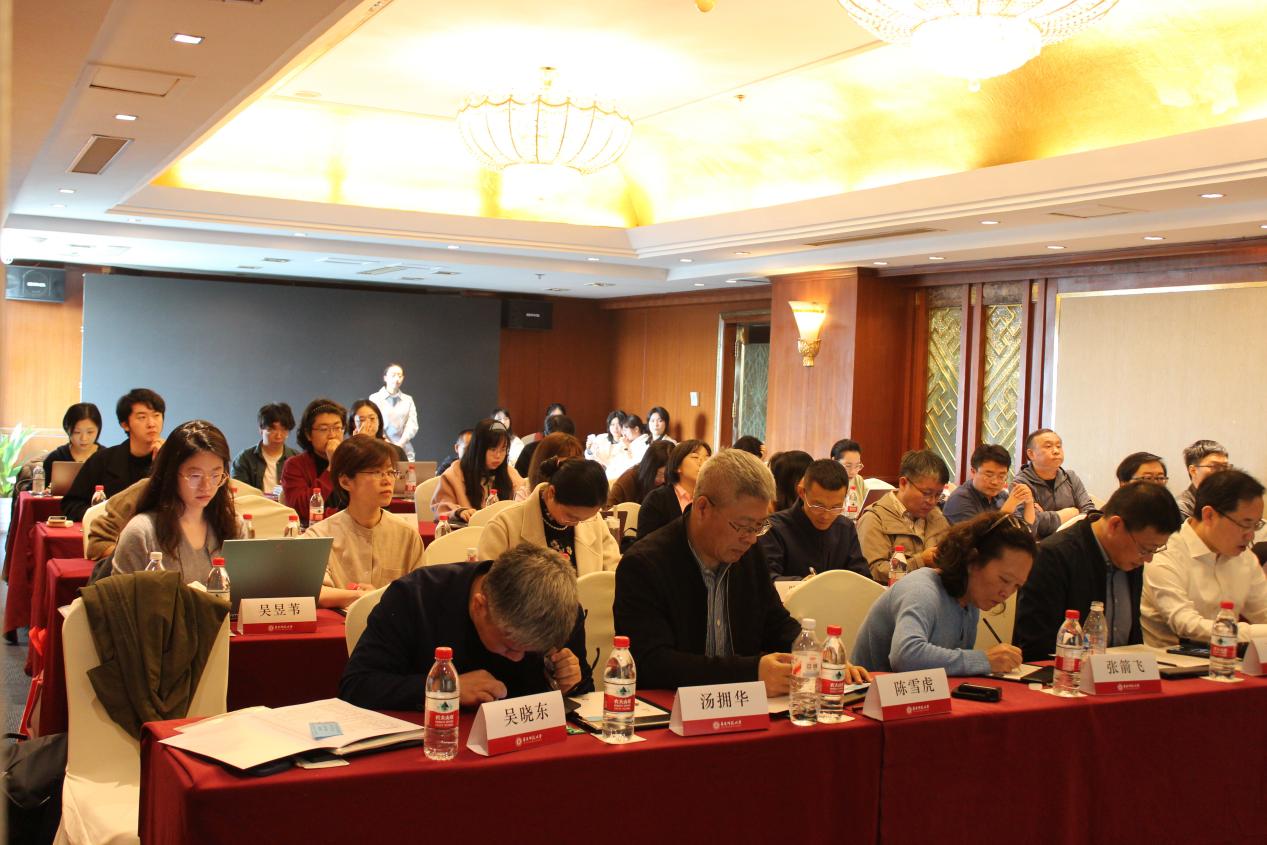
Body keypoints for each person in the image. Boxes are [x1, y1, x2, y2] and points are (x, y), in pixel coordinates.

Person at [614, 448, 869, 694]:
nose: (752, 538)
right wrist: (752, 672)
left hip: (747, 707)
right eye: (744, 526)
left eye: (759, 526)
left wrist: (816, 654)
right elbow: (653, 664)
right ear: (702, 508)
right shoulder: (645, 564)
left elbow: (775, 623)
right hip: (671, 712)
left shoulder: (748, 554)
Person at [340, 543, 590, 710]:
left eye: (531, 651)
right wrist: (445, 688)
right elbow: (356, 686)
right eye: (509, 647)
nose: (518, 658)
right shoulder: (415, 598)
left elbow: (583, 691)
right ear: (479, 606)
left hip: (527, 744)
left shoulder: (559, 611)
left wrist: (570, 680)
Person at [1014, 481, 1182, 662]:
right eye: (1145, 549)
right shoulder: (1053, 556)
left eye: (1154, 550)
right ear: (1115, 525)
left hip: (1122, 672)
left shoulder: (1130, 557)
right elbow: (1036, 648)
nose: (1148, 559)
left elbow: (1132, 637)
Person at [853, 512, 1035, 676]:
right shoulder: (921, 589)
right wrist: (984, 660)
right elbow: (905, 655)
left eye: (1017, 586)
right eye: (1004, 579)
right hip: (869, 696)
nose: (1007, 593)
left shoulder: (970, 601)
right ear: (972, 560)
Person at [1142, 469, 1267, 647]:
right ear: (1209, 515)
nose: (1251, 535)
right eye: (1245, 524)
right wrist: (1256, 632)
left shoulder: (1245, 558)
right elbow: (1186, 624)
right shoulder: (1165, 551)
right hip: (1170, 659)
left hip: (1228, 658)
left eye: (1257, 525)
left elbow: (1263, 611)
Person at [303, 436, 426, 608]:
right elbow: (314, 592)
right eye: (376, 472)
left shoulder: (407, 535)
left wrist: (376, 596)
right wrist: (362, 596)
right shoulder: (319, 536)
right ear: (345, 481)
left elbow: (420, 592)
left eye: (390, 472)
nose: (387, 480)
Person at [113, 420, 238, 585]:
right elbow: (122, 597)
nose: (206, 486)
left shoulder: (233, 525)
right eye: (195, 476)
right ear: (171, 474)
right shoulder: (142, 532)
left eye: (216, 476)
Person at [479, 458, 620, 576]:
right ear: (551, 493)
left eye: (584, 519)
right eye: (570, 516)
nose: (576, 524)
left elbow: (613, 572)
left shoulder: (593, 520)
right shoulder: (504, 525)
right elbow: (488, 584)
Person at [62, 388, 165, 522]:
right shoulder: (102, 460)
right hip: (110, 530)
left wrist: (162, 463)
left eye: (156, 415)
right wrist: (104, 519)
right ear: (125, 424)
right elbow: (71, 505)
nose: (152, 424)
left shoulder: (173, 460)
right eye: (142, 417)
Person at [760, 459, 867, 579]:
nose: (826, 516)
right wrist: (802, 585)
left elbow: (862, 577)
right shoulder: (773, 527)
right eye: (818, 506)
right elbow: (766, 579)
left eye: (836, 507)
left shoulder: (845, 528)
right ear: (802, 492)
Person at [856, 449, 952, 583]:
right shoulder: (875, 519)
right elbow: (875, 571)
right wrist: (920, 561)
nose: (932, 501)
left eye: (938, 495)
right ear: (903, 483)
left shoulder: (936, 516)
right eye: (926, 493)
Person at [433, 418, 527, 523]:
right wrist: (459, 512)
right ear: (478, 448)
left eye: (503, 449)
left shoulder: (510, 474)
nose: (498, 455)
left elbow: (524, 502)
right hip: (467, 530)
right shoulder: (454, 474)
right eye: (493, 449)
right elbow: (440, 507)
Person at [1015, 429, 1094, 538]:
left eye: (1059, 446)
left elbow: (1090, 512)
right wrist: (1070, 513)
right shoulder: (1021, 483)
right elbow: (1030, 526)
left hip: (1072, 540)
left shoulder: (1070, 477)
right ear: (1031, 454)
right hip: (1040, 545)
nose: (1056, 451)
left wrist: (1045, 516)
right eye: (1048, 446)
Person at [281, 398, 346, 523]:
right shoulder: (295, 465)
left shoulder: (353, 462)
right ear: (308, 434)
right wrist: (332, 466)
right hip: (312, 530)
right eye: (324, 429)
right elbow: (301, 509)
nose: (332, 435)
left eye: (337, 428)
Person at [943, 444, 1036, 528]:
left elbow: (1025, 529)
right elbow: (980, 537)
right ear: (973, 472)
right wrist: (1009, 506)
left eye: (1001, 476)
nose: (995, 482)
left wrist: (1029, 502)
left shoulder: (1002, 496)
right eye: (989, 475)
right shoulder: (960, 498)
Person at [636, 439, 711, 540]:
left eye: (707, 458)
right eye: (695, 457)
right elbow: (644, 544)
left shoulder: (712, 499)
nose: (703, 463)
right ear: (677, 467)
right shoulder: (656, 500)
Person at [231, 403, 298, 494]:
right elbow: (239, 493)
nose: (279, 436)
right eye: (272, 429)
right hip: (255, 503)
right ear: (261, 430)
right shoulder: (244, 459)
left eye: (284, 430)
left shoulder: (296, 459)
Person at [42, 402, 103, 487]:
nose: (84, 438)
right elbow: (37, 489)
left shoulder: (107, 457)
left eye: (90, 432)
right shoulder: (56, 457)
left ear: (98, 429)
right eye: (77, 432)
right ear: (67, 429)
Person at [368, 362, 418, 460]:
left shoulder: (408, 400)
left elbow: (412, 425)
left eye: (400, 376)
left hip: (403, 449)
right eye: (393, 375)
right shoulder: (375, 398)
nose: (397, 379)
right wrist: (386, 442)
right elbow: (373, 423)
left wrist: (400, 444)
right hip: (381, 447)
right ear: (385, 378)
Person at [1176, 439, 1230, 519]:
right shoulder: (1181, 508)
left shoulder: (1229, 500)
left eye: (1225, 467)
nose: (1222, 472)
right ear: (1193, 470)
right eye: (1214, 466)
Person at [607, 440, 671, 507]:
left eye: (667, 475)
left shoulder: (671, 482)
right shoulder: (629, 479)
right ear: (648, 468)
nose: (663, 480)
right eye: (659, 474)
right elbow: (608, 509)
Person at [514, 414, 576, 478]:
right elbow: (518, 478)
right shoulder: (529, 450)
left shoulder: (575, 451)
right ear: (545, 435)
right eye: (555, 439)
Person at [830, 438, 868, 520]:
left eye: (857, 466)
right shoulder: (825, 482)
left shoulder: (858, 480)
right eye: (848, 466)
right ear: (834, 462)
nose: (853, 472)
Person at [605, 414, 648, 481]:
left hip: (625, 479)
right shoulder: (630, 442)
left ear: (636, 429)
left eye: (626, 430)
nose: (624, 434)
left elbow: (632, 466)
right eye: (623, 430)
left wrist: (627, 447)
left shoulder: (644, 444)